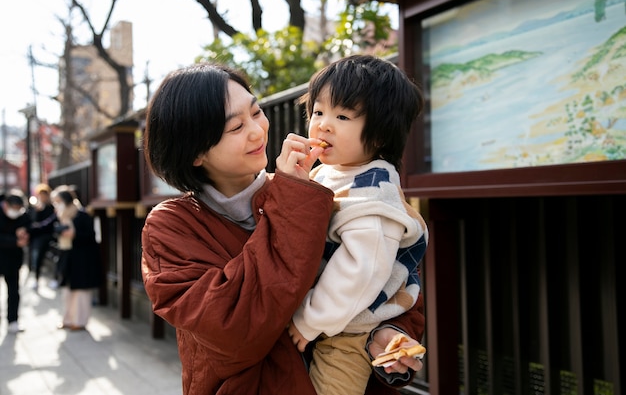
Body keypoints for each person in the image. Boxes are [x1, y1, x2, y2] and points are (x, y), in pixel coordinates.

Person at [141, 62, 425, 395]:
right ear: (195, 152)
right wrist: (292, 198)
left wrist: (387, 332)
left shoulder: (319, 188)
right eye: (236, 127)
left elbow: (389, 274)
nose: (258, 131)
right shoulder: (170, 227)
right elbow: (235, 328)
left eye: (256, 111)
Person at [286, 54, 429, 395]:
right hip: (334, 314)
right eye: (318, 112)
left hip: (354, 329)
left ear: (380, 136)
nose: (323, 125)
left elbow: (359, 272)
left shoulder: (373, 193)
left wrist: (309, 321)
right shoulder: (328, 171)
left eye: (343, 116)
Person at [51, 185, 101, 331]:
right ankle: (67, 319)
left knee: (81, 292)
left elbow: (92, 236)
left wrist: (74, 235)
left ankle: (79, 322)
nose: (56, 204)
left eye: (58, 200)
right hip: (67, 256)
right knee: (67, 291)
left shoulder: (82, 214)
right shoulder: (60, 214)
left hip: (82, 258)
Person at [0, 189, 30, 333]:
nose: (16, 211)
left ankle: (13, 321)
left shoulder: (23, 216)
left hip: (13, 260)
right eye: (14, 208)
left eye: (19, 209)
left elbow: (31, 227)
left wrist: (24, 232)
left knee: (14, 291)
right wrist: (14, 241)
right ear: (6, 205)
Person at [27, 183, 57, 291]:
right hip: (37, 236)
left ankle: (55, 278)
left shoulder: (52, 207)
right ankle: (36, 279)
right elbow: (31, 220)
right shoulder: (36, 207)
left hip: (48, 235)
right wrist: (37, 211)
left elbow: (52, 221)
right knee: (37, 257)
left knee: (53, 257)